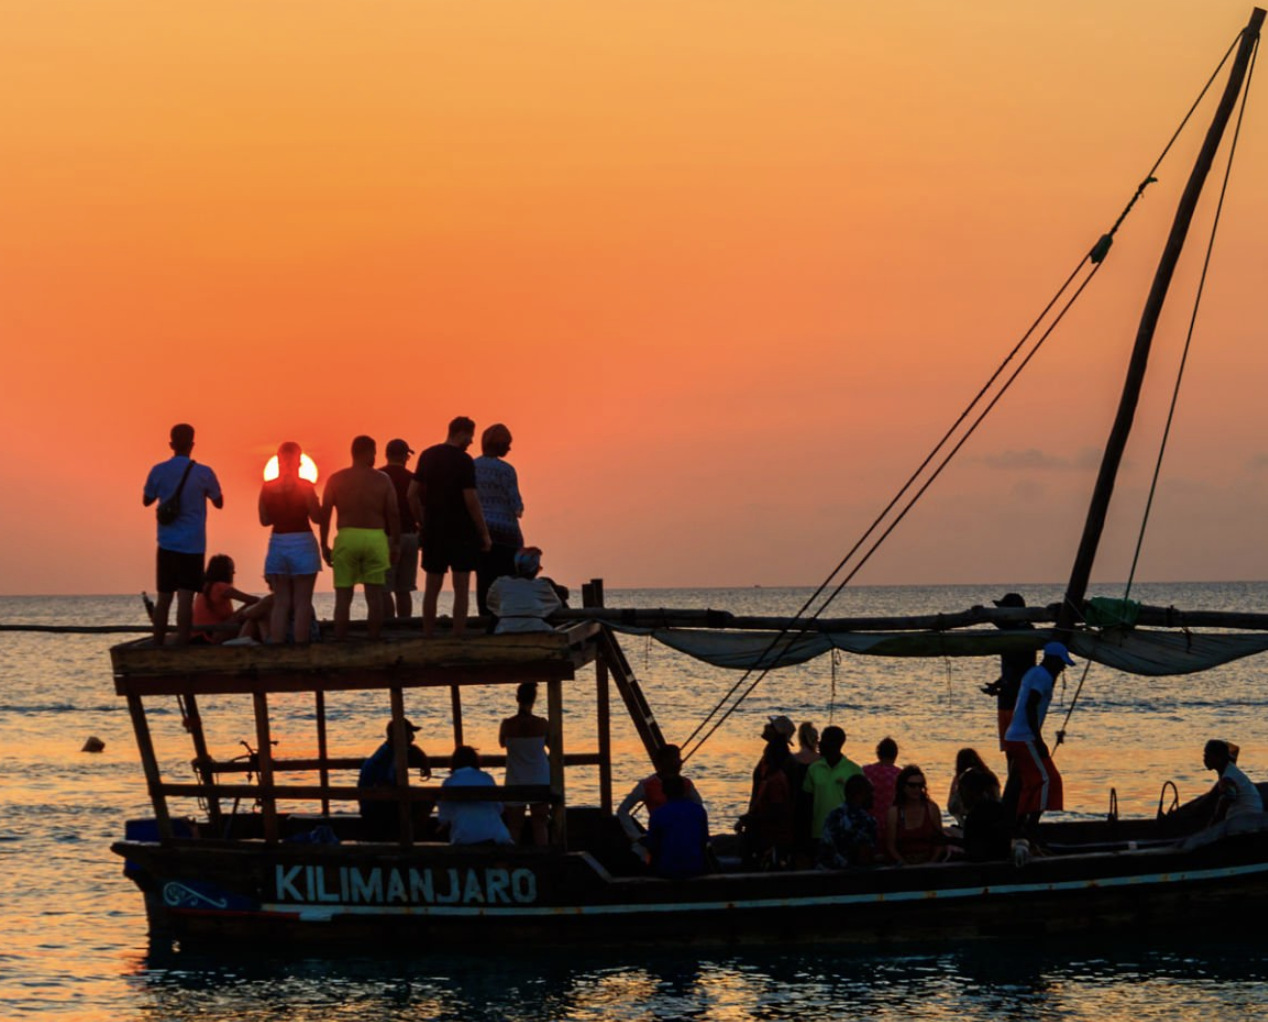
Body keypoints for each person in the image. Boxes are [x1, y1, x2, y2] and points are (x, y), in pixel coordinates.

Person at [408, 417, 493, 638]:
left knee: (432, 587)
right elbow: (471, 498)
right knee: (461, 587)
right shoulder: (464, 460)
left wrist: (422, 522)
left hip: (434, 530)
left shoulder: (427, 455)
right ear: (462, 433)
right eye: (471, 436)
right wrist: (483, 532)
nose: (472, 442)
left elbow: (411, 494)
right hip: (461, 530)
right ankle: (458, 635)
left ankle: (428, 635)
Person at [142, 423, 223, 645]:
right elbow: (219, 502)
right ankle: (182, 646)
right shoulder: (204, 473)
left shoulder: (158, 470)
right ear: (192, 444)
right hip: (193, 544)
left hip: (167, 543)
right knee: (185, 599)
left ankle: (158, 644)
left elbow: (147, 500)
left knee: (164, 598)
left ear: (171, 444)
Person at [320, 435, 400, 641]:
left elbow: (326, 513)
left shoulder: (336, 479)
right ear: (369, 452)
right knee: (374, 597)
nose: (375, 456)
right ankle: (373, 640)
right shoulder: (383, 479)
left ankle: (340, 642)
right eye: (374, 452)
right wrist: (396, 544)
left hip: (347, 537)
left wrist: (324, 544)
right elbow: (393, 513)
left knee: (343, 598)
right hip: (374, 537)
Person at [1002, 640, 1072, 830]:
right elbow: (1031, 704)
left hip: (1014, 737)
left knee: (1030, 783)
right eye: (1061, 662)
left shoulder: (1033, 672)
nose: (1063, 667)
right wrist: (1038, 739)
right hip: (1024, 738)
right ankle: (1030, 827)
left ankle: (1019, 826)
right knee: (1049, 780)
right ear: (1051, 659)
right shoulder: (1043, 677)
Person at [258, 441, 321, 645]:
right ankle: (301, 646)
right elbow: (317, 517)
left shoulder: (267, 487)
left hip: (278, 542)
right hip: (302, 540)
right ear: (299, 461)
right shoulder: (305, 487)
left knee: (281, 601)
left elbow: (264, 520)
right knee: (302, 601)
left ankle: (277, 644)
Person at [473, 423, 524, 616]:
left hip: (481, 531)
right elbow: (516, 505)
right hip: (507, 534)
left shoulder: (472, 466)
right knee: (509, 578)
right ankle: (507, 617)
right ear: (499, 445)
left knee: (484, 578)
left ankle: (485, 618)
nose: (509, 448)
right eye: (507, 444)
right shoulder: (506, 470)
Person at [358, 719, 433, 839]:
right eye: (410, 734)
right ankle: (412, 836)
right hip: (374, 807)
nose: (413, 738)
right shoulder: (384, 758)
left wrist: (422, 757)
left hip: (380, 802)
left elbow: (412, 749)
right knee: (425, 800)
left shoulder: (392, 751)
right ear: (400, 736)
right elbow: (384, 786)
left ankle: (413, 835)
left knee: (423, 799)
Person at [981, 593, 1038, 749]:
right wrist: (998, 684)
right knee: (1010, 749)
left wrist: (1002, 685)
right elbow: (1014, 669)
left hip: (1016, 701)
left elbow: (1020, 669)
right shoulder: (1015, 631)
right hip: (1008, 699)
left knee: (1018, 749)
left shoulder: (1023, 634)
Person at [499, 681, 551, 846]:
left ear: (517, 698)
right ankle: (544, 861)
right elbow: (553, 746)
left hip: (515, 779)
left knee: (514, 827)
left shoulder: (507, 724)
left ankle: (514, 862)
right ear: (534, 699)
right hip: (540, 778)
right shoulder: (542, 723)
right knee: (540, 825)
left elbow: (502, 743)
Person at [617, 744, 702, 842]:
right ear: (664, 761)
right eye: (676, 757)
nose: (680, 761)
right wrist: (636, 836)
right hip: (660, 837)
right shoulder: (647, 784)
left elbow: (698, 807)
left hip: (684, 836)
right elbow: (622, 810)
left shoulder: (686, 783)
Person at [800, 725, 862, 852]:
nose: (819, 743)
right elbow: (806, 805)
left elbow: (862, 806)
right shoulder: (813, 769)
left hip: (846, 833)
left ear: (836, 744)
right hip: (818, 833)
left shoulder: (854, 770)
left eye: (823, 740)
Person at [438, 745, 513, 846]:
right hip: (496, 837)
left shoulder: (449, 782)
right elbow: (499, 808)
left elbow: (444, 817)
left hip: (465, 839)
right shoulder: (486, 778)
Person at [741, 734, 797, 869]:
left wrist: (752, 819)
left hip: (771, 837)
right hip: (772, 835)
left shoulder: (774, 781)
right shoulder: (774, 778)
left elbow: (777, 812)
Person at [379, 439, 420, 621]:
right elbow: (421, 506)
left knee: (384, 588)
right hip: (410, 535)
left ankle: (389, 626)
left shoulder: (378, 477)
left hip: (384, 536)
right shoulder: (413, 479)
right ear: (405, 456)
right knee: (404, 589)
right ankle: (405, 626)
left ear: (387, 455)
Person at [191, 554, 271, 643]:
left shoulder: (205, 587)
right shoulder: (220, 587)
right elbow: (254, 600)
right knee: (254, 610)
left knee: (252, 613)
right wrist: (268, 603)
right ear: (223, 571)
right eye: (231, 569)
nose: (233, 572)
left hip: (201, 635)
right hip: (209, 636)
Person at [646, 774, 712, 880]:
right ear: (684, 790)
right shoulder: (699, 810)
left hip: (667, 869)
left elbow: (653, 846)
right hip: (695, 868)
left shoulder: (658, 814)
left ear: (663, 791)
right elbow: (703, 841)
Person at [486, 547, 566, 633]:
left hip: (504, 630)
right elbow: (556, 604)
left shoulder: (500, 583)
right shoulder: (541, 585)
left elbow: (491, 604)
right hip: (536, 630)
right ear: (535, 568)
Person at [885, 765, 947, 865]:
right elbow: (890, 846)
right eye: (912, 785)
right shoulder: (894, 813)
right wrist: (903, 864)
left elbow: (939, 842)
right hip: (903, 864)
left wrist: (932, 863)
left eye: (920, 785)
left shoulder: (931, 809)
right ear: (903, 787)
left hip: (929, 863)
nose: (917, 789)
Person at [819, 774, 879, 869]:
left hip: (826, 873)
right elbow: (864, 858)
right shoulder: (867, 821)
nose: (874, 796)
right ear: (859, 795)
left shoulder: (832, 815)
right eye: (870, 792)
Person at [956, 768, 1012, 862]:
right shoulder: (999, 809)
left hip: (981, 864)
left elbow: (971, 848)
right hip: (1001, 858)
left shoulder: (973, 817)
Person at [1204, 739, 1264, 824]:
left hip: (1244, 821)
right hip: (1253, 816)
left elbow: (1228, 798)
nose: (1205, 759)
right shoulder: (1230, 769)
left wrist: (1212, 826)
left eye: (1208, 755)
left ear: (1219, 758)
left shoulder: (1228, 777)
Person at [946, 747, 1002, 827]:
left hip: (971, 823)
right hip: (995, 820)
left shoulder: (962, 779)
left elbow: (951, 807)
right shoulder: (990, 776)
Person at [863, 737, 902, 831]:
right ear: (895, 754)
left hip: (868, 822)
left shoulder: (866, 771)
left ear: (878, 754)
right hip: (892, 824)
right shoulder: (900, 775)